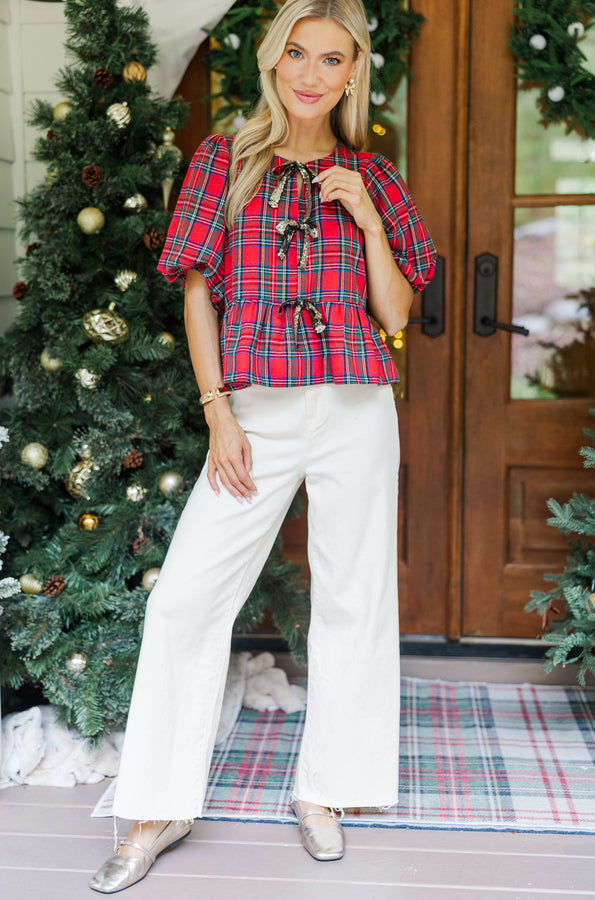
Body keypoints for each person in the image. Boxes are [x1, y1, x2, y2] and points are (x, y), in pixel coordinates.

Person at [89, 0, 436, 891]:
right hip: (256, 409)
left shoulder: (374, 176)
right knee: (185, 600)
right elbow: (197, 290)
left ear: (353, 72)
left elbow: (398, 314)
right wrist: (218, 413)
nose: (311, 74)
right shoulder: (226, 161)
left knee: (354, 597)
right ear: (273, 63)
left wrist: (363, 216)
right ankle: (155, 810)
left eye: (331, 59)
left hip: (358, 407)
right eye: (297, 55)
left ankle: (328, 789)